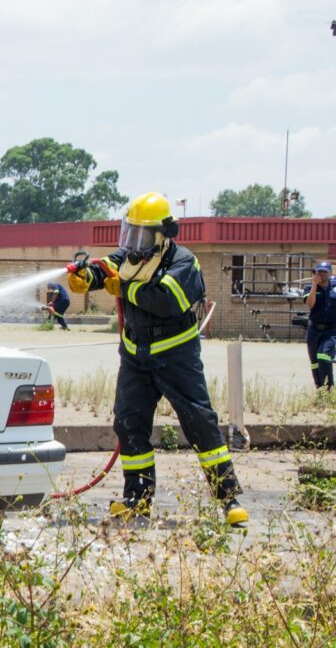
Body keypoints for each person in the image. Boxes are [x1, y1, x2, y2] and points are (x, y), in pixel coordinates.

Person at [66, 192, 248, 527]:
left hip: (176, 355)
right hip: (136, 357)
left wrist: (123, 289)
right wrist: (85, 277)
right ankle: (137, 500)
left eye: (142, 234)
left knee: (200, 423)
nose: (134, 241)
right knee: (129, 423)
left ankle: (228, 498)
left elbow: (165, 300)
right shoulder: (130, 257)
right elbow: (105, 268)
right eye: (130, 232)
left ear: (162, 235)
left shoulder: (183, 263)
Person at [304, 260, 336, 389]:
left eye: (324, 272)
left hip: (331, 330)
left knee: (324, 356)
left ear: (330, 273)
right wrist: (314, 286)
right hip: (314, 330)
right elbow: (310, 304)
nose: (321, 274)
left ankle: (329, 388)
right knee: (315, 363)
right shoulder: (309, 287)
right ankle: (319, 388)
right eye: (319, 271)